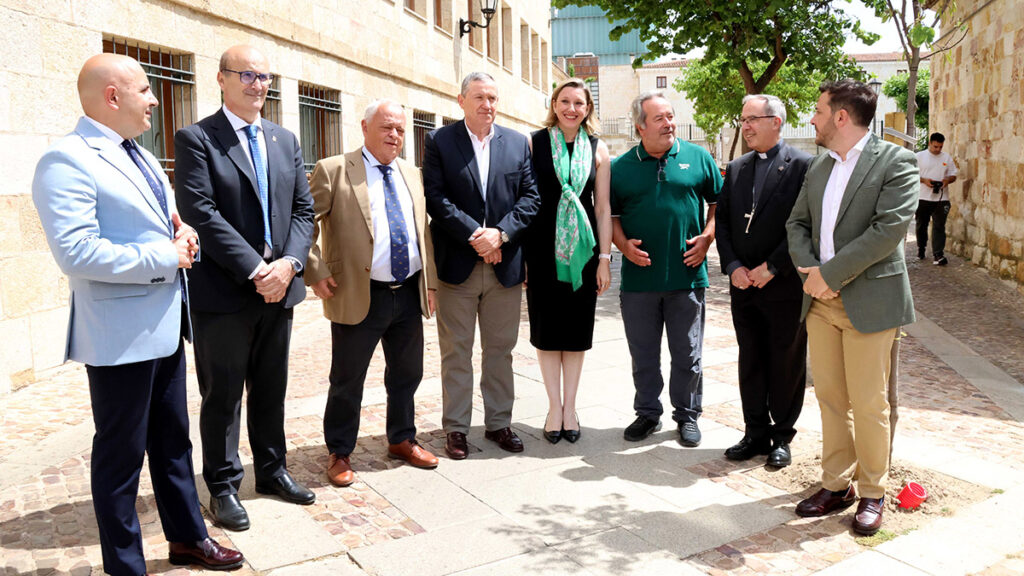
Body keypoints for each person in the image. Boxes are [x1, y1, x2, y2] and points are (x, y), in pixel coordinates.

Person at [32, 53, 242, 575]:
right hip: (118, 337)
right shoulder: (66, 160)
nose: (153, 100)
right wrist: (164, 256)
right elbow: (76, 252)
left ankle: (188, 539)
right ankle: (126, 566)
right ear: (112, 96)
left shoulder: (140, 154)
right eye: (145, 90)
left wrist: (182, 232)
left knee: (173, 443)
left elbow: (161, 221)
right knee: (121, 458)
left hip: (166, 326)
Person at [174, 45, 316, 531]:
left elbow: (303, 210)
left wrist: (289, 265)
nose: (259, 84)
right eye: (248, 75)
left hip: (281, 290)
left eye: (264, 76)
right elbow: (201, 213)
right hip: (225, 293)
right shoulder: (196, 139)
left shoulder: (284, 139)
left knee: (272, 388)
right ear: (221, 79)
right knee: (223, 395)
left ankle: (272, 471)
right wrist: (258, 270)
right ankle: (222, 486)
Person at [786, 79, 918, 536]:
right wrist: (812, 274)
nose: (812, 119)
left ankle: (873, 492)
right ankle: (836, 484)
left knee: (868, 403)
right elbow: (797, 223)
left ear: (841, 116)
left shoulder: (897, 162)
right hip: (820, 302)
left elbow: (888, 231)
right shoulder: (819, 165)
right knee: (830, 399)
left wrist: (830, 275)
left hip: (869, 302)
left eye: (818, 111)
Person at [305, 100, 440, 486]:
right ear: (365, 128)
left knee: (407, 373)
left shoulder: (412, 173)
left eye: (400, 129)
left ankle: (402, 438)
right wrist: (314, 270)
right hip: (358, 291)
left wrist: (430, 283)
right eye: (386, 127)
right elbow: (304, 221)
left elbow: (422, 230)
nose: (394, 135)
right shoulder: (334, 169)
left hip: (407, 290)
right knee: (347, 379)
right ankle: (340, 451)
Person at [423, 72, 541, 459]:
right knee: (456, 351)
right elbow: (435, 198)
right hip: (457, 265)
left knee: (500, 351)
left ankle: (499, 424)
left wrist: (500, 235)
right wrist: (477, 235)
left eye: (492, 98)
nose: (487, 105)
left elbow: (530, 199)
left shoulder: (517, 144)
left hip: (505, 266)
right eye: (479, 97)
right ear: (461, 101)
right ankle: (456, 428)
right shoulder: (440, 141)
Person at [611, 91, 721, 447]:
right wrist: (623, 246)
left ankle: (687, 415)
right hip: (639, 281)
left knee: (688, 354)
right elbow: (610, 217)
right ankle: (647, 413)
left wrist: (707, 237)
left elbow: (718, 203)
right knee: (643, 355)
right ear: (640, 127)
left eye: (670, 116)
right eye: (659, 118)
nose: (669, 123)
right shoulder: (620, 168)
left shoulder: (698, 157)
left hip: (687, 276)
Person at [716, 94, 812, 468]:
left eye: (752, 119)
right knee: (751, 358)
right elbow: (723, 222)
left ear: (776, 121)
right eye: (743, 120)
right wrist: (733, 266)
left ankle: (782, 436)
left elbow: (805, 226)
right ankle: (754, 432)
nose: (746, 126)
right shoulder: (737, 167)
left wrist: (772, 267)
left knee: (786, 361)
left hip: (784, 285)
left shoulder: (803, 165)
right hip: (743, 285)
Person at [524, 79, 612, 444]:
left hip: (584, 253)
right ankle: (553, 408)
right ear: (554, 104)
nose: (571, 109)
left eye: (579, 103)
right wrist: (522, 258)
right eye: (565, 101)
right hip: (541, 250)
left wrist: (605, 258)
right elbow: (524, 200)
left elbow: (603, 208)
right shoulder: (534, 143)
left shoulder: (598, 148)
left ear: (588, 108)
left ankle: (571, 409)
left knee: (575, 334)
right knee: (547, 333)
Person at [915, 132, 958, 266]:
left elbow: (953, 175)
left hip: (941, 198)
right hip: (922, 197)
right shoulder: (919, 156)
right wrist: (924, 180)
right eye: (935, 146)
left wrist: (947, 180)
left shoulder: (946, 158)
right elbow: (909, 174)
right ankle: (921, 248)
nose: (938, 149)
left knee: (939, 226)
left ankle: (938, 254)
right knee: (922, 225)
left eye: (940, 147)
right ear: (930, 143)